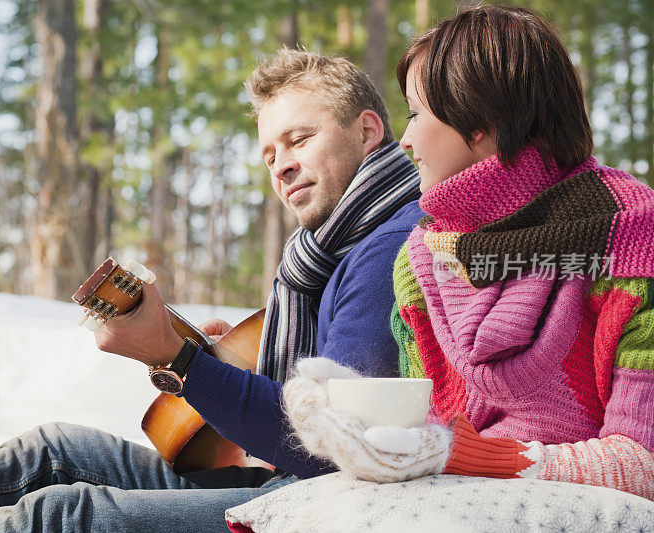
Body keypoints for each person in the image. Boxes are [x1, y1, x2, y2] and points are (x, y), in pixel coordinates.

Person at [0, 48, 425, 532]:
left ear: (368, 130)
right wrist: (215, 362)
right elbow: (293, 408)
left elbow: (327, 448)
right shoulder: (326, 250)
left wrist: (176, 357)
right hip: (286, 474)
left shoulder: (384, 249)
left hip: (324, 502)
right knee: (53, 449)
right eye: (269, 154)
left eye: (299, 139)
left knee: (60, 516)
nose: (281, 166)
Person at [274, 4, 654, 502]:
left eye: (414, 112)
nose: (405, 139)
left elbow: (644, 466)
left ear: (479, 120)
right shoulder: (421, 259)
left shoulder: (633, 239)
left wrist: (460, 455)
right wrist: (346, 414)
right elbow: (428, 433)